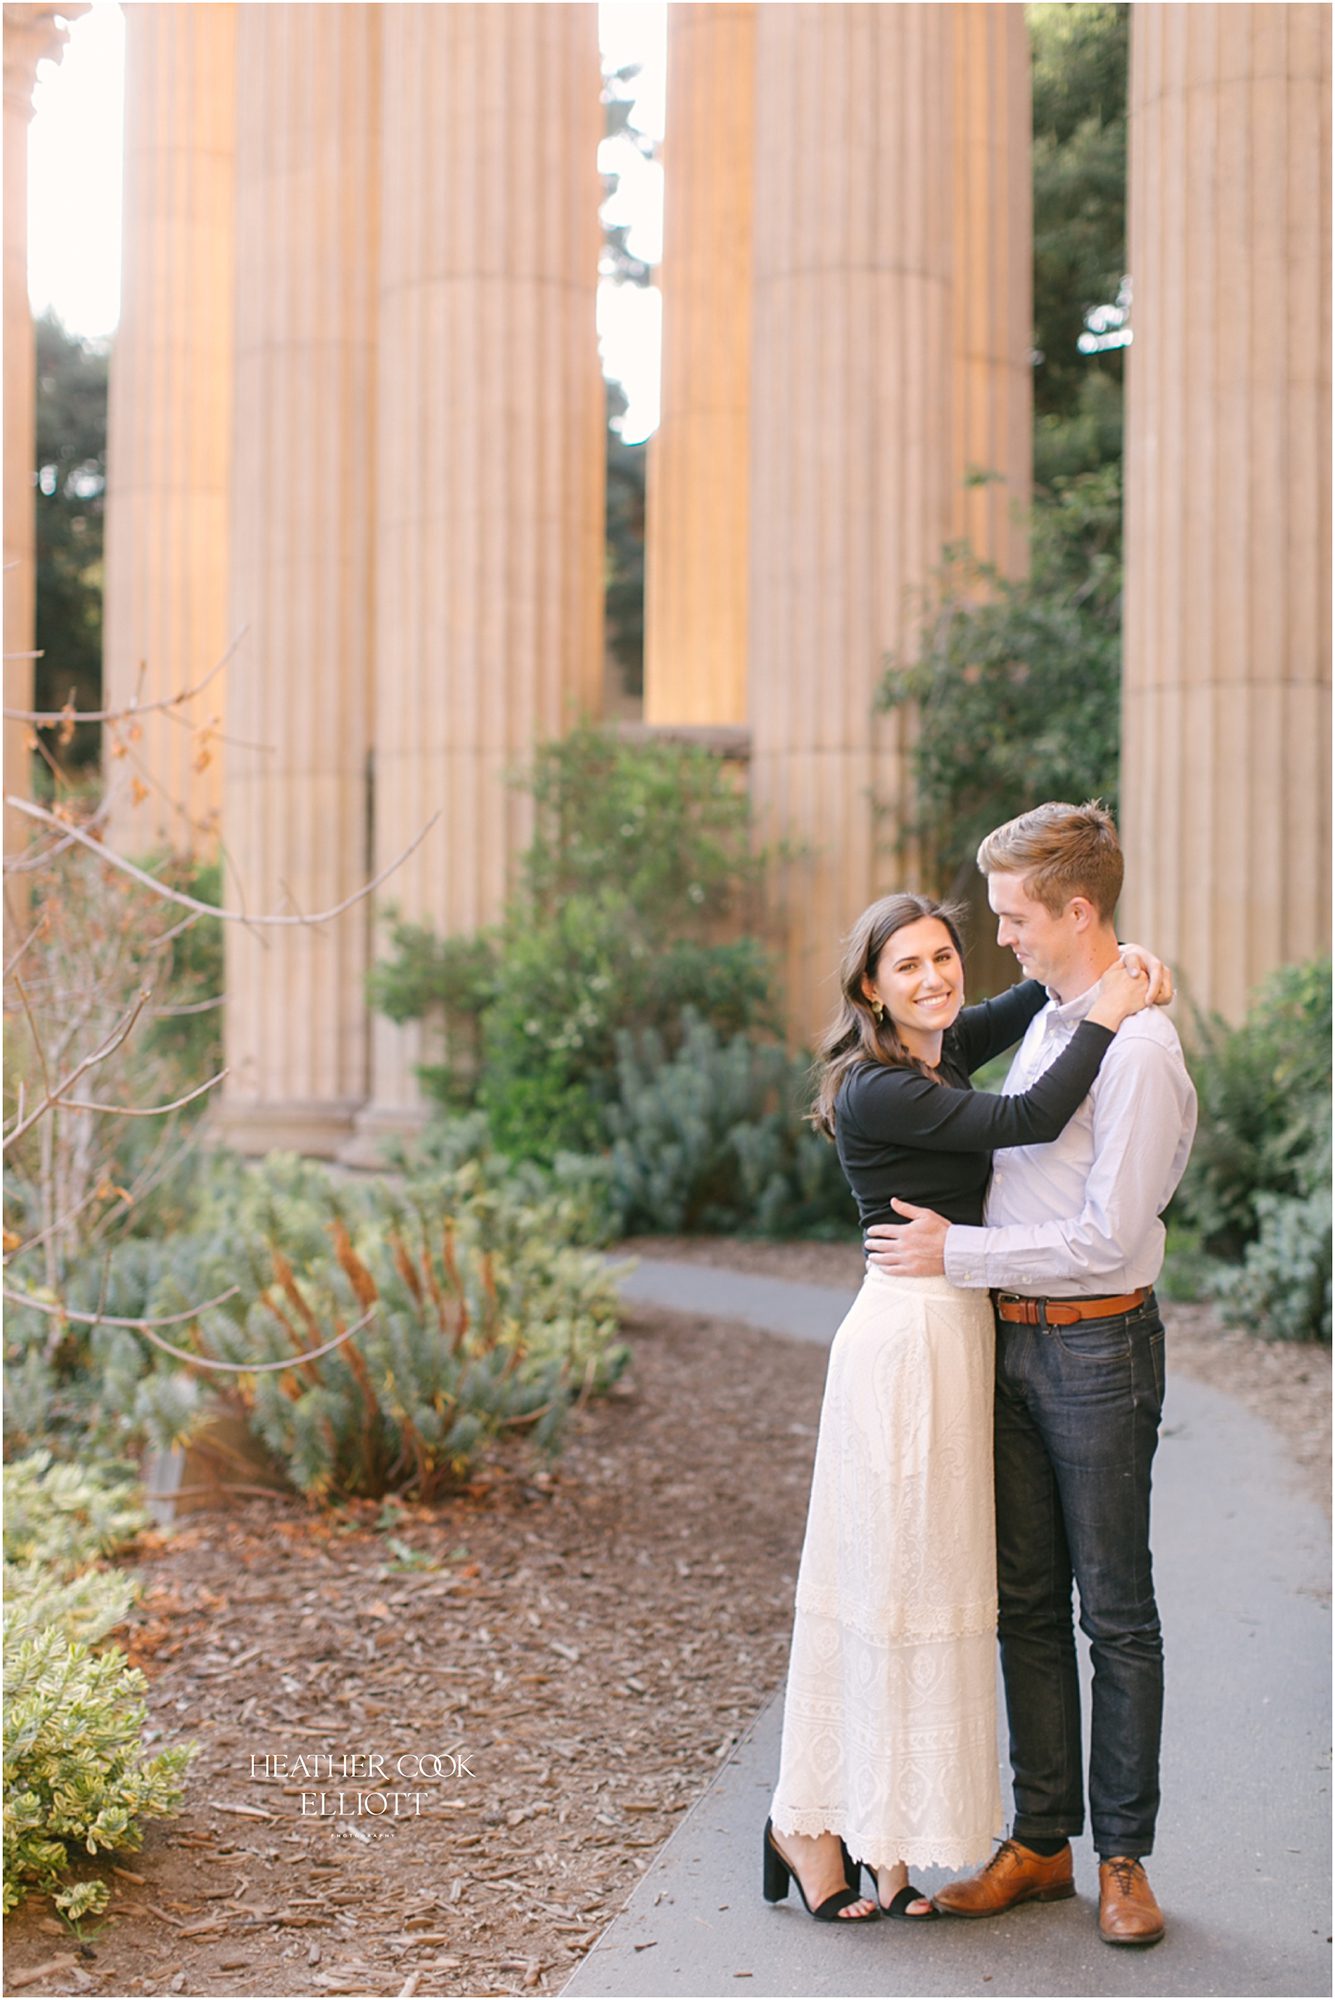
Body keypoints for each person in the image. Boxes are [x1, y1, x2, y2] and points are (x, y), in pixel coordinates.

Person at [764, 889, 1168, 1926]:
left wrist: (1115, 966)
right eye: (911, 965)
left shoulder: (937, 1045)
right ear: (869, 986)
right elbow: (1030, 1116)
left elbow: (1041, 979)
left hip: (962, 1337)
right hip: (904, 1342)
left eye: (947, 954)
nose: (942, 975)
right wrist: (1113, 1010)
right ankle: (806, 1820)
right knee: (884, 1581)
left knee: (934, 1583)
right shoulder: (880, 1089)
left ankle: (886, 1827)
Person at [865, 803, 1197, 1949]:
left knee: (1116, 1610)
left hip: (1098, 1348)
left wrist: (954, 1252)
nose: (1000, 936)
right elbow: (1012, 1122)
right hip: (1008, 1343)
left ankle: (1124, 1859)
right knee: (1025, 1605)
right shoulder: (1064, 1020)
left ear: (1078, 909)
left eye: (1012, 915)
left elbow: (1110, 1237)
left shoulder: (1140, 1047)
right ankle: (1041, 1839)